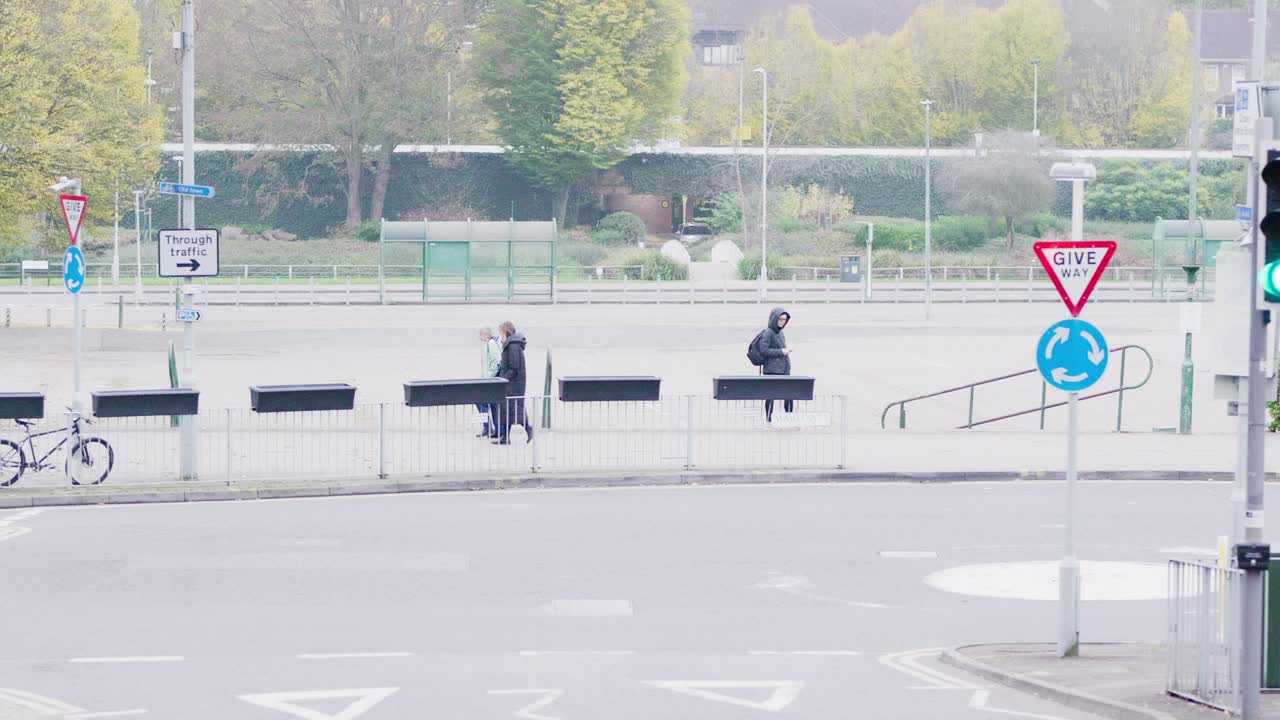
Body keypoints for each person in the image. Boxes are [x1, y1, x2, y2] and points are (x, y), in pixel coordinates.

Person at [494, 320, 533, 445]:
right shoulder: (512, 345)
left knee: (515, 409)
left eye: (501, 335)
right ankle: (506, 437)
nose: (500, 338)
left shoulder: (513, 346)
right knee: (508, 410)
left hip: (513, 384)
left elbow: (514, 367)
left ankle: (528, 428)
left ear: (507, 333)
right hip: (513, 383)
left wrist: (504, 379)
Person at [756, 307, 793, 423]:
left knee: (789, 395)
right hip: (772, 370)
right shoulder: (768, 332)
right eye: (780, 319)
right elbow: (763, 350)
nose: (782, 322)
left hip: (783, 370)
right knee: (771, 396)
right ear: (774, 319)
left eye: (784, 320)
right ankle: (769, 419)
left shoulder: (780, 333)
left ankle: (789, 418)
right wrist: (782, 351)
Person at [476, 326, 503, 439]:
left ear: (485, 335)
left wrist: (489, 376)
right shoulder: (487, 344)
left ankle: (488, 426)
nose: (479, 336)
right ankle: (489, 427)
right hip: (487, 380)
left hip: (490, 380)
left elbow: (496, 361)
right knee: (485, 403)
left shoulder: (491, 344)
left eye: (480, 334)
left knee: (480, 401)